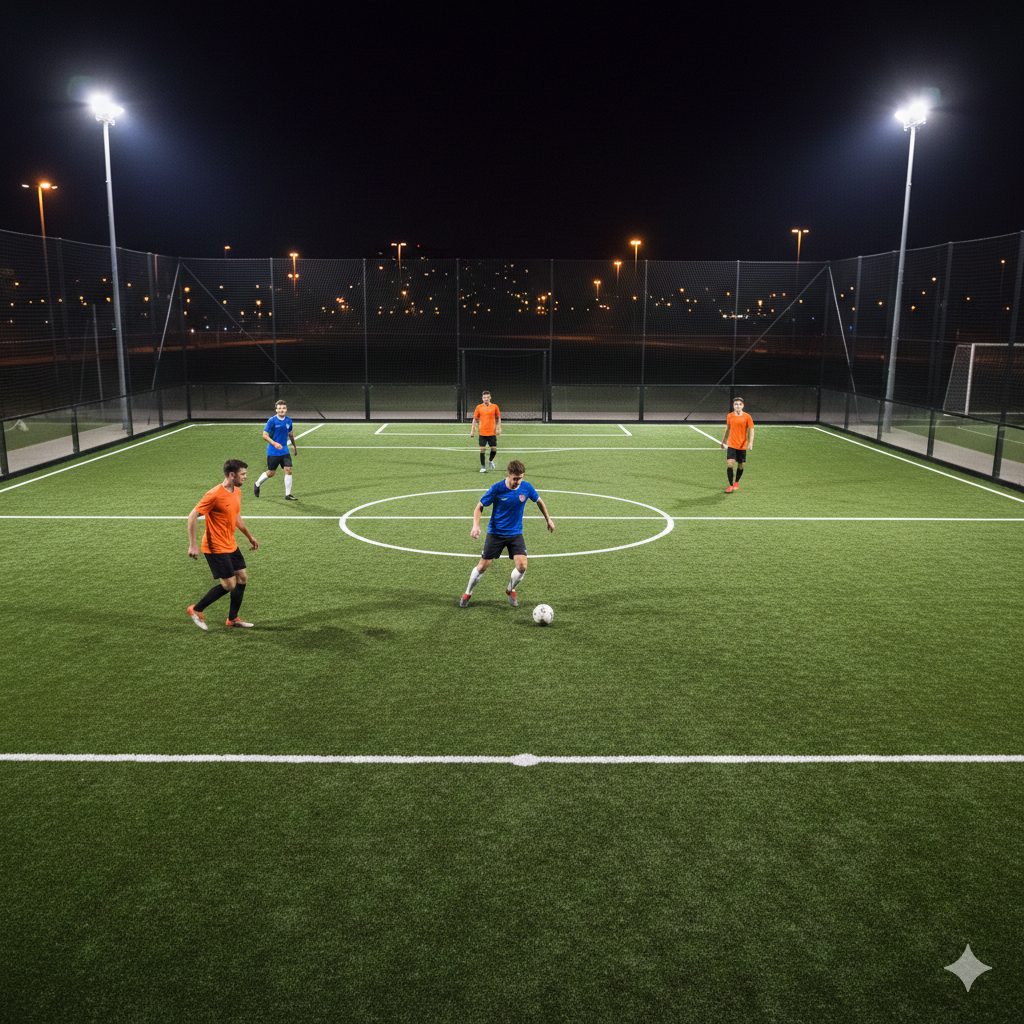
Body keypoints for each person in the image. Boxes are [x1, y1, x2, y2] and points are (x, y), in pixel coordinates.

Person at [460, 459, 554, 608]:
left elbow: (539, 501)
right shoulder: (497, 488)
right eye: (515, 478)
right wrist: (475, 526)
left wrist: (548, 519)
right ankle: (468, 593)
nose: (518, 482)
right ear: (508, 474)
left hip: (515, 533)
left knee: (522, 566)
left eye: (520, 478)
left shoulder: (526, 487)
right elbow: (479, 506)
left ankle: (510, 589)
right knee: (482, 566)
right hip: (495, 533)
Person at [187, 459, 260, 630]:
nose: (245, 477)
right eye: (243, 474)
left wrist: (249, 536)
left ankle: (232, 618)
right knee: (229, 585)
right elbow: (192, 516)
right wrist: (193, 545)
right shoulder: (214, 494)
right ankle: (196, 609)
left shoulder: (237, 491)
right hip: (215, 547)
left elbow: (236, 515)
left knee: (242, 578)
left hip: (230, 543)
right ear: (232, 475)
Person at [254, 400, 298, 500]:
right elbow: (264, 435)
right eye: (279, 408)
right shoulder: (272, 421)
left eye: (283, 408)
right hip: (273, 451)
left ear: (286, 409)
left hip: (284, 451)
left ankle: (288, 494)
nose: (281, 410)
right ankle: (257, 483)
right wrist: (274, 443)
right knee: (271, 473)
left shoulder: (289, 421)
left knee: (288, 470)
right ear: (276, 410)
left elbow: (291, 434)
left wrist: (295, 447)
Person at [720, 396, 755, 493]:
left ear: (743, 406)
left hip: (742, 445)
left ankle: (736, 482)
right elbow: (728, 429)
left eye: (740, 404)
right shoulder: (730, 416)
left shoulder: (747, 417)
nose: (738, 406)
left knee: (740, 465)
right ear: (733, 406)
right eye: (736, 404)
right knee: (730, 464)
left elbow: (751, 430)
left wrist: (750, 443)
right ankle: (730, 485)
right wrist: (723, 441)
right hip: (732, 444)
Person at [470, 391, 501, 472]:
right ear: (482, 398)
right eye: (484, 397)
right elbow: (475, 419)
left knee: (493, 449)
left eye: (487, 397)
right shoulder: (479, 407)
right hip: (482, 433)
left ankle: (490, 461)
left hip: (492, 433)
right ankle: (483, 467)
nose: (486, 399)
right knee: (482, 449)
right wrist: (472, 430)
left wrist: (499, 428)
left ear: (490, 398)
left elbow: (498, 418)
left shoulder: (495, 407)